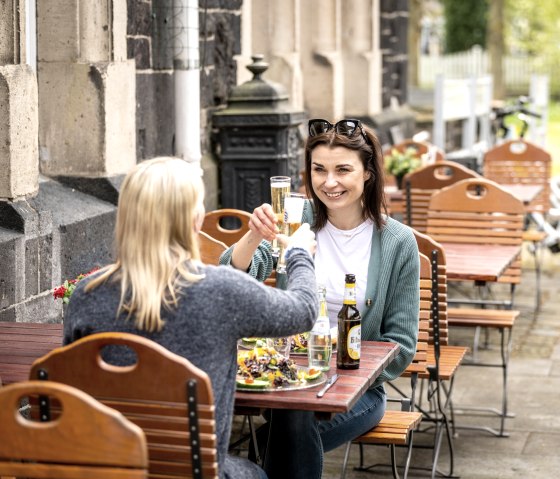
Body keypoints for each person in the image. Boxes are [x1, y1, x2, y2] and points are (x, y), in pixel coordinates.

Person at [63, 157, 319, 479]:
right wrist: (298, 254)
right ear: (196, 219)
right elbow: (305, 309)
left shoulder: (87, 294)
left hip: (106, 469)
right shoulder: (222, 291)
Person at [220, 119, 420, 479]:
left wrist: (339, 365)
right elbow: (230, 280)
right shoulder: (295, 220)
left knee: (281, 433)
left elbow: (401, 346)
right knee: (290, 419)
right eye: (319, 169)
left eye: (343, 169)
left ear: (368, 172)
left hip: (358, 392)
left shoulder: (398, 242)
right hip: (288, 381)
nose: (329, 182)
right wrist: (253, 236)